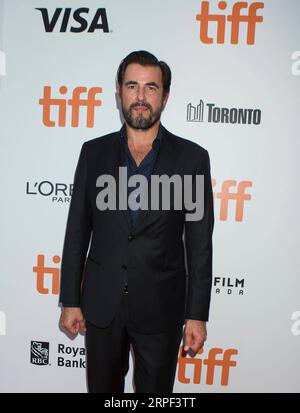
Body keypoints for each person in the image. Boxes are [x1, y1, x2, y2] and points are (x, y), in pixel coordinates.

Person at [59, 50, 214, 393]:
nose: (141, 97)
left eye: (151, 88)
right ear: (119, 92)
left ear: (165, 95)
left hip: (162, 308)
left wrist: (197, 314)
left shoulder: (192, 158)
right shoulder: (93, 153)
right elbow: (77, 230)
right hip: (102, 306)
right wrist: (70, 299)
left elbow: (200, 244)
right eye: (132, 86)